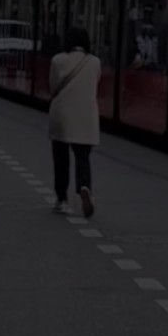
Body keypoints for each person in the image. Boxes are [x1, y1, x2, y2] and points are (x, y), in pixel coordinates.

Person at [48, 27, 101, 217]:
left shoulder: (58, 60)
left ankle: (61, 200)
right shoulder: (95, 62)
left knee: (61, 159)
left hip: (61, 115)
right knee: (82, 157)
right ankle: (84, 187)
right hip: (85, 116)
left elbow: (53, 86)